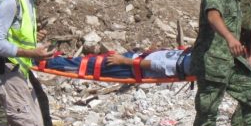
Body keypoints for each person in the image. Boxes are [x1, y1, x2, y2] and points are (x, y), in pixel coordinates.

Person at [39, 48, 193, 79]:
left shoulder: (190, 65)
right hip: (135, 58)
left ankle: (43, 62)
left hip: (131, 67)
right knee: (89, 62)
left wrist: (124, 61)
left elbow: (159, 66)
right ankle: (46, 59)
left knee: (87, 66)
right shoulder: (199, 52)